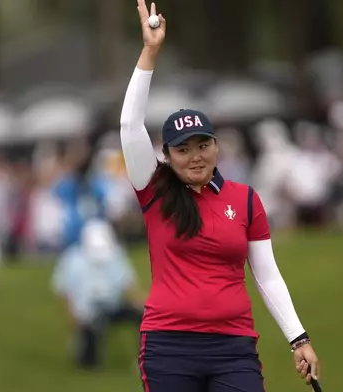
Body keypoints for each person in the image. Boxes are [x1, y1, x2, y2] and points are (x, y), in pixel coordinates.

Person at [119, 2, 321, 391]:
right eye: (182, 149)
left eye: (203, 145)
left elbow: (266, 276)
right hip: (169, 346)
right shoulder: (154, 189)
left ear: (216, 146)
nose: (195, 157)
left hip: (234, 347)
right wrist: (150, 51)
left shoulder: (245, 200)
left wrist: (299, 339)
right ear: (167, 155)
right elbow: (129, 125)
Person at [51, 218, 145, 370]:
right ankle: (90, 362)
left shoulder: (116, 254)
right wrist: (72, 314)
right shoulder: (71, 259)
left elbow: (127, 282)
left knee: (142, 317)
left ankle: (145, 358)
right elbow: (63, 289)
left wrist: (142, 304)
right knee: (91, 327)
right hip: (87, 310)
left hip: (113, 305)